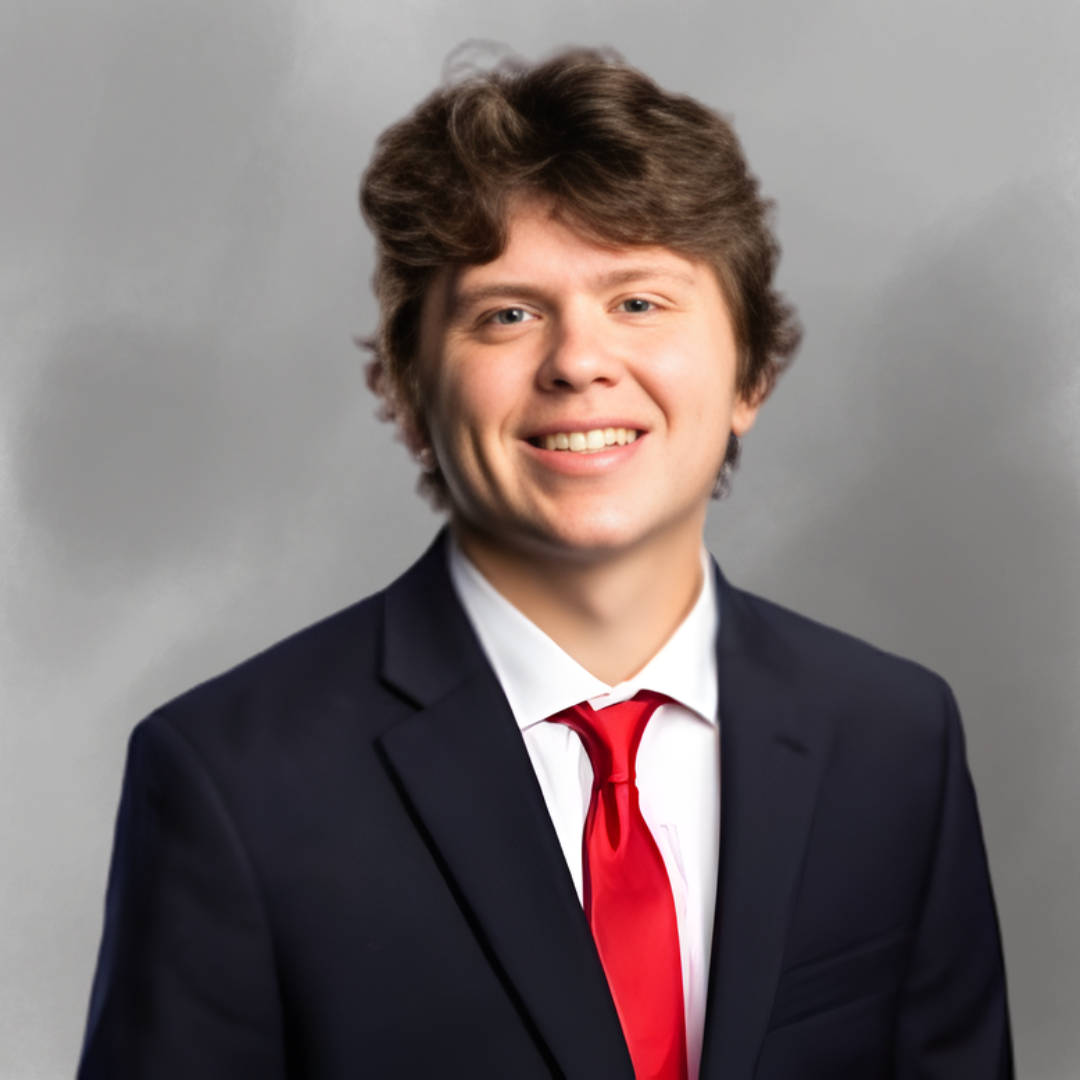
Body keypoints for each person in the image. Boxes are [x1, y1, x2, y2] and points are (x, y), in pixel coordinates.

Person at [78, 48, 1012, 1079]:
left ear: (751, 372)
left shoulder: (895, 738)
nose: (577, 360)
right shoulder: (230, 782)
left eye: (641, 303)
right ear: (406, 392)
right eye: (507, 314)